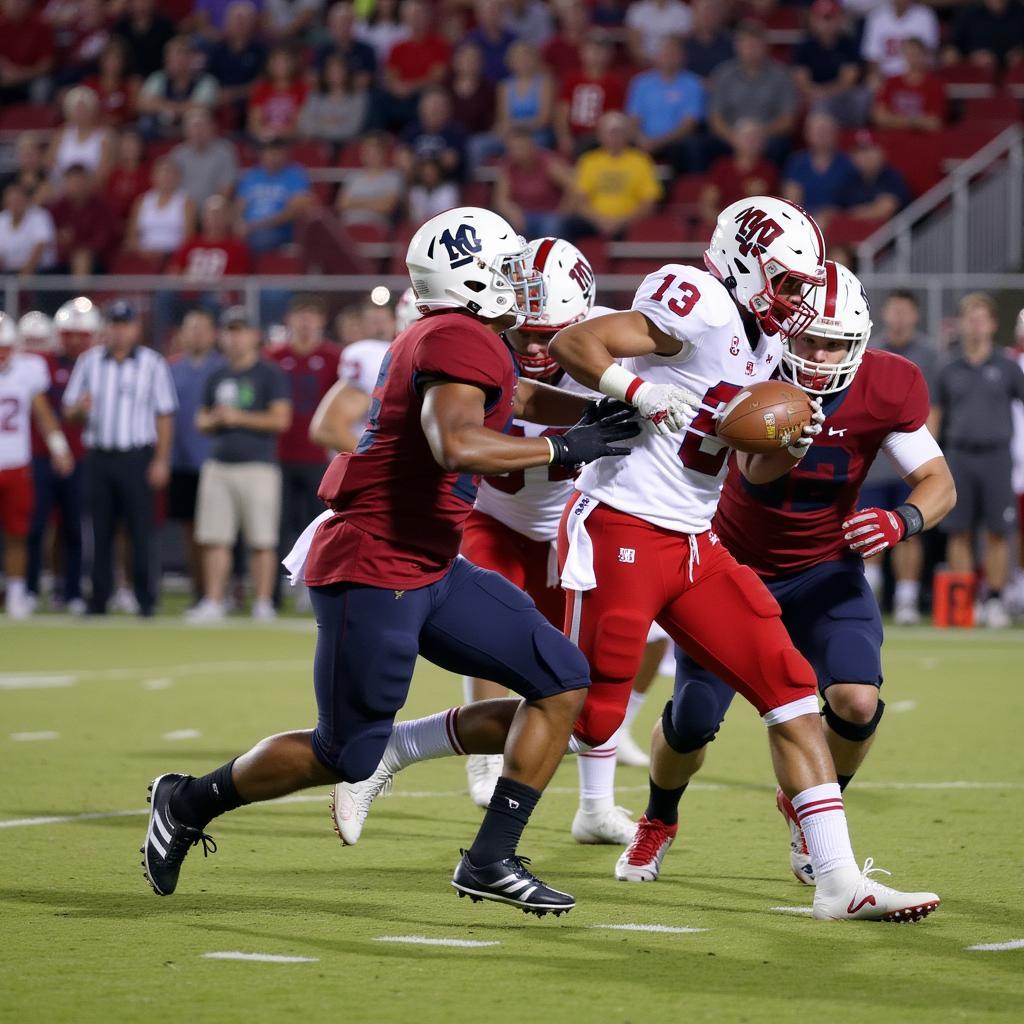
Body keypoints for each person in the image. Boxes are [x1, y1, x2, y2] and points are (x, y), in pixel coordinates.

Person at [339, 198, 944, 924]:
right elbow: (577, 346)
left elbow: (748, 468)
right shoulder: (703, 301)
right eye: (785, 283)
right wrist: (637, 388)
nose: (795, 301)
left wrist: (783, 438)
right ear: (747, 264)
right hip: (623, 526)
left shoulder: (761, 339)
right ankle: (400, 748)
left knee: (788, 686)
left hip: (694, 540)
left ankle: (839, 881)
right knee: (585, 714)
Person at [140, 207, 640, 915]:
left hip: (434, 562)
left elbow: (518, 395)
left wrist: (601, 416)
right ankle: (188, 801)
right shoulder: (457, 337)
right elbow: (457, 443)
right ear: (470, 279)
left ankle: (490, 859)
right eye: (505, 269)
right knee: (343, 753)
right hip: (376, 564)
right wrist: (567, 447)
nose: (518, 281)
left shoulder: (465, 337)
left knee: (562, 681)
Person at [614, 261, 956, 889]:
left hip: (826, 569)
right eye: (808, 339)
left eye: (834, 343)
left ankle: (807, 807)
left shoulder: (890, 382)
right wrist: (781, 438)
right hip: (729, 567)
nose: (819, 355)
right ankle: (659, 820)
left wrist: (901, 520)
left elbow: (939, 483)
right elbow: (745, 469)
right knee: (692, 721)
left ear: (861, 342)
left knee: (856, 701)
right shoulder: (751, 362)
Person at [456, 236, 664, 826]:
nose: (534, 346)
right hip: (493, 514)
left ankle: (594, 806)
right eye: (523, 331)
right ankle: (481, 760)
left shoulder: (615, 352)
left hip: (569, 528)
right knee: (493, 625)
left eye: (550, 334)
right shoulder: (481, 347)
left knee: (580, 665)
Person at [62, 300, 177, 617]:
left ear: (136, 328)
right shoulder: (89, 362)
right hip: (99, 456)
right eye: (114, 323)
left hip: (137, 456)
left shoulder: (152, 363)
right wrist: (79, 410)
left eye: (125, 324)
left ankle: (145, 599)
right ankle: (98, 598)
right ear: (106, 327)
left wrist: (161, 459)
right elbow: (70, 410)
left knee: (141, 531)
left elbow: (164, 414)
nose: (119, 330)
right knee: (99, 530)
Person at [186, 309, 291, 622]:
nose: (234, 338)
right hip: (219, 464)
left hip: (258, 466)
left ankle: (262, 602)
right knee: (215, 538)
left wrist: (237, 417)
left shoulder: (269, 374)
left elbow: (280, 419)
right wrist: (215, 420)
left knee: (262, 540)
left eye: (240, 331)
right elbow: (200, 419)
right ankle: (214, 601)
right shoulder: (217, 374)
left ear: (254, 336)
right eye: (229, 332)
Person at [931, 293, 1024, 628]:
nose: (976, 324)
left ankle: (996, 600)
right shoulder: (948, 366)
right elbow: (935, 415)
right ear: (961, 324)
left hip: (997, 455)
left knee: (998, 532)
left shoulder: (1007, 366)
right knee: (959, 532)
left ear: (993, 325)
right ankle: (964, 600)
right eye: (970, 318)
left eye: (982, 318)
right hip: (958, 455)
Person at [860, 290, 937, 622]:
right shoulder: (869, 349)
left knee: (909, 526)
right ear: (885, 313)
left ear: (916, 315)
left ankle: (906, 596)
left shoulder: (930, 355)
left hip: (911, 455)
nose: (900, 317)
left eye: (906, 310)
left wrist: (925, 453)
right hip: (873, 457)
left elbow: (934, 409)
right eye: (895, 309)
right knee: (865, 525)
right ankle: (867, 591)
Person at [265, 295, 341, 606]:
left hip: (319, 455)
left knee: (319, 523)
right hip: (279, 454)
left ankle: (313, 585)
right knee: (277, 524)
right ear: (289, 320)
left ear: (321, 321)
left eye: (311, 315)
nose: (305, 322)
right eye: (300, 315)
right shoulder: (273, 356)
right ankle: (273, 589)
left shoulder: (334, 357)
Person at [25, 297, 98, 615]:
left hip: (81, 458)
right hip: (41, 457)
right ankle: (27, 588)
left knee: (74, 527)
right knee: (35, 525)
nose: (75, 340)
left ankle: (71, 591)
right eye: (69, 333)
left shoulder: (96, 365)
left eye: (81, 335)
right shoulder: (41, 363)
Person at [0, 313, 73, 619]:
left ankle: (17, 591)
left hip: (16, 464)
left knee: (19, 533)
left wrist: (59, 448)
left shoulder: (28, 370)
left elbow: (43, 414)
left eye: (4, 347)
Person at [309, 287, 418, 455]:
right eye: (372, 320)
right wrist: (380, 464)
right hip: (370, 469)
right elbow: (328, 429)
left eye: (383, 319)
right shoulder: (369, 354)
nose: (378, 326)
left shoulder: (406, 354)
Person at [169, 309, 226, 606]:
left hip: (216, 461)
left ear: (213, 333)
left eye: (203, 329)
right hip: (181, 461)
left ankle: (226, 589)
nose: (197, 335)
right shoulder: (171, 368)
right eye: (191, 329)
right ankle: (199, 589)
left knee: (220, 532)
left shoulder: (223, 368)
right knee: (190, 530)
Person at [708, 21, 797, 166]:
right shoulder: (723, 74)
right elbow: (715, 118)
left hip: (767, 137)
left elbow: (788, 120)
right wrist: (734, 137)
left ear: (765, 47)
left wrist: (757, 136)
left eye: (756, 45)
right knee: (701, 146)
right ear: (737, 46)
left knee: (781, 146)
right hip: (731, 136)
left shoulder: (781, 75)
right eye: (746, 45)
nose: (751, 50)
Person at [565, 111, 662, 241]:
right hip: (594, 222)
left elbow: (649, 202)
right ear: (600, 135)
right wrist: (600, 221)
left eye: (618, 132)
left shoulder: (641, 161)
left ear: (626, 135)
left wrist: (622, 221)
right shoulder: (589, 161)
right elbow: (580, 201)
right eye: (610, 132)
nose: (614, 137)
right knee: (563, 226)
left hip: (629, 223)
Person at [625, 36, 705, 174]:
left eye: (673, 54)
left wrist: (659, 142)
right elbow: (633, 118)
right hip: (642, 139)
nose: (668, 58)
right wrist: (639, 137)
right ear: (656, 56)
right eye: (664, 53)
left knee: (688, 147)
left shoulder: (692, 84)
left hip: (673, 141)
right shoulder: (641, 83)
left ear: (682, 57)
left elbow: (689, 124)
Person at [792, 0, 864, 127]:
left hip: (840, 98)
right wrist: (816, 94)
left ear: (839, 19)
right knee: (811, 104)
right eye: (822, 19)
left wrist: (823, 94)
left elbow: (848, 80)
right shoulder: (805, 46)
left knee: (863, 96)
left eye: (831, 18)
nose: (827, 24)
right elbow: (801, 80)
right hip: (812, 97)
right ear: (813, 20)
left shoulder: (848, 45)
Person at [234, 139, 312, 254]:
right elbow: (239, 205)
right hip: (249, 228)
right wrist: (238, 222)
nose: (273, 158)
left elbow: (295, 210)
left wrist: (256, 225)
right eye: (269, 154)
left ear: (285, 155)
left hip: (278, 229)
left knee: (259, 240)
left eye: (277, 154)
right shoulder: (252, 175)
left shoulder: (295, 174)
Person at [381, 0, 451, 129]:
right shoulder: (397, 47)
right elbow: (390, 77)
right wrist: (398, 87)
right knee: (380, 99)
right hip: (401, 96)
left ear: (427, 18)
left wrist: (410, 87)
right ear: (404, 19)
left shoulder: (439, 44)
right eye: (412, 16)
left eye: (419, 15)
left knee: (430, 100)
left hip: (425, 94)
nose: (416, 20)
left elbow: (437, 77)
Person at [493, 128, 572, 240]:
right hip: (524, 215)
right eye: (513, 149)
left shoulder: (549, 163)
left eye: (521, 148)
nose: (517, 153)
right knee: (504, 224)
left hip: (549, 214)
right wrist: (511, 211)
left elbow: (573, 189)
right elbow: (501, 200)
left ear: (532, 147)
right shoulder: (508, 166)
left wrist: (562, 213)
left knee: (552, 225)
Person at [555, 38, 626, 157]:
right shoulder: (572, 79)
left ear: (608, 55)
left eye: (600, 52)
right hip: (575, 135)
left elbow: (613, 115)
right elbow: (562, 112)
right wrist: (564, 137)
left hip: (599, 137)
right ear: (582, 53)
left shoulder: (614, 83)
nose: (595, 56)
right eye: (591, 51)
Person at [137, 35, 219, 139]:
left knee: (197, 119)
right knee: (145, 124)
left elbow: (203, 107)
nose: (177, 62)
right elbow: (142, 103)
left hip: (191, 129)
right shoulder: (158, 77)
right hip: (160, 127)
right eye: (172, 58)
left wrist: (168, 108)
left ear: (190, 59)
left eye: (181, 57)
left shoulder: (206, 81)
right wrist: (177, 107)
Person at [698, 118, 778, 224]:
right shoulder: (721, 167)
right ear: (735, 139)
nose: (751, 142)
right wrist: (726, 225)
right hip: (723, 229)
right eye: (747, 137)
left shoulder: (769, 169)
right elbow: (707, 206)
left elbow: (771, 210)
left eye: (756, 137)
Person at [206, 0, 267, 130]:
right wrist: (218, 93)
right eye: (236, 20)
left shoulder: (261, 50)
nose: (239, 24)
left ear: (252, 23)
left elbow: (261, 82)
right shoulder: (216, 50)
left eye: (243, 21)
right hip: (219, 99)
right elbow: (208, 78)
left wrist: (234, 94)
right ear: (226, 22)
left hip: (249, 100)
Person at [782, 112, 856, 218]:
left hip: (838, 220)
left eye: (826, 132)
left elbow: (853, 202)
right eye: (817, 132)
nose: (821, 136)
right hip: (804, 219)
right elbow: (792, 201)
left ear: (835, 134)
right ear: (807, 134)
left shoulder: (847, 163)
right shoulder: (797, 162)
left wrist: (832, 214)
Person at [48, 164, 117, 275]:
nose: (77, 186)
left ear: (89, 182)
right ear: (65, 183)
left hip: (96, 260)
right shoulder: (56, 207)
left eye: (80, 181)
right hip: (62, 259)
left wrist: (76, 247)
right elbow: (50, 236)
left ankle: (80, 292)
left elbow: (103, 239)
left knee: (82, 258)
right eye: (73, 182)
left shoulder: (101, 206)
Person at [872, 37, 947, 133]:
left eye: (916, 54)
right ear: (904, 55)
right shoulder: (891, 82)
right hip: (891, 139)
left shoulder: (934, 85)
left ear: (924, 55)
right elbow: (879, 117)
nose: (913, 58)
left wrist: (894, 120)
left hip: (924, 142)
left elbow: (935, 123)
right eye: (909, 53)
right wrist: (915, 121)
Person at [126, 157, 195, 258]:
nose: (166, 177)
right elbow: (132, 236)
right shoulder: (142, 201)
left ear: (178, 177)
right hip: (144, 255)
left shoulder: (186, 202)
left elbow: (189, 237)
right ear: (153, 177)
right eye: (162, 173)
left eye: (170, 174)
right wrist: (143, 251)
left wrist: (168, 254)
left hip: (173, 255)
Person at [170, 109, 239, 209]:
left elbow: (226, 188)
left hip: (213, 212)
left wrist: (211, 210)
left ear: (212, 128)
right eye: (194, 127)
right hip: (185, 211)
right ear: (186, 131)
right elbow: (171, 187)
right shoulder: (178, 154)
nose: (198, 132)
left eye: (202, 126)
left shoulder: (224, 151)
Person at [47, 85, 114, 186]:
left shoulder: (104, 136)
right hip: (61, 186)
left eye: (84, 109)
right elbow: (50, 162)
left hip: (92, 188)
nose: (80, 113)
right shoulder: (62, 133)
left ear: (92, 110)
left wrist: (80, 185)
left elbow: (104, 171)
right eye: (76, 109)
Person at [335, 132, 404, 229]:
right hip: (348, 228)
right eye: (367, 152)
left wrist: (354, 202)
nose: (370, 155)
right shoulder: (353, 177)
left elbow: (387, 206)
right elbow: (341, 203)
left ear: (383, 153)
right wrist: (374, 202)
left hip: (377, 229)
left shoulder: (394, 177)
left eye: (374, 152)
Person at [837, 129, 909, 220]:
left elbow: (885, 210)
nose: (866, 156)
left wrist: (850, 215)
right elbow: (835, 210)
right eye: (859, 152)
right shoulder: (850, 181)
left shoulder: (892, 178)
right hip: (858, 232)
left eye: (870, 149)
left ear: (882, 152)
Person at [299, 53, 368, 147]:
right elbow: (306, 124)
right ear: (325, 73)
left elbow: (353, 128)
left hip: (346, 146)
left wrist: (322, 123)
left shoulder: (358, 97)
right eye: (332, 71)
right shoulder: (315, 96)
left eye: (339, 71)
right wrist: (336, 123)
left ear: (347, 72)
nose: (335, 75)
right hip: (317, 145)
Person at [494, 40, 554, 148]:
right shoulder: (504, 86)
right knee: (478, 145)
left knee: (524, 146)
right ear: (511, 62)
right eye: (518, 59)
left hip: (536, 133)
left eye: (526, 58)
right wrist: (510, 131)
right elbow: (504, 119)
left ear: (534, 60)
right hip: (511, 134)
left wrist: (517, 127)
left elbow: (543, 119)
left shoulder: (544, 83)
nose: (523, 62)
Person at [861, 0, 939, 81]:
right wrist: (878, 79)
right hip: (886, 77)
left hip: (915, 77)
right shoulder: (876, 16)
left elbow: (930, 55)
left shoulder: (925, 15)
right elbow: (872, 57)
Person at [247, 45, 308, 142]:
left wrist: (280, 134)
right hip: (265, 140)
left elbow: (301, 122)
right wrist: (264, 133)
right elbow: (254, 122)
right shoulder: (261, 88)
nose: (280, 66)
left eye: (284, 61)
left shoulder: (302, 88)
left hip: (292, 140)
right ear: (269, 65)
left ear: (292, 64)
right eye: (276, 62)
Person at [0, 0, 55, 104]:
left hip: (31, 78)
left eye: (19, 2)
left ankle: (38, 119)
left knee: (43, 86)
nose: (15, 5)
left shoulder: (42, 26)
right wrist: (6, 69)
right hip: (6, 77)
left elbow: (47, 64)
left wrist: (21, 75)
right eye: (10, 2)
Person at [0, 182, 57, 277]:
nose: (14, 204)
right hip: (8, 272)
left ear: (26, 200)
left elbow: (40, 246)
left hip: (39, 270)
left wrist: (25, 274)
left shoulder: (39, 215)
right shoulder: (2, 219)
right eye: (11, 200)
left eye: (18, 200)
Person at [315, 2, 376, 88]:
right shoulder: (322, 51)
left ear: (353, 24)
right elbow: (315, 79)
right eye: (338, 23)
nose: (343, 27)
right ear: (330, 25)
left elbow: (364, 81)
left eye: (347, 22)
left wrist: (335, 81)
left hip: (357, 97)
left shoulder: (366, 50)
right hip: (328, 98)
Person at [82, 38, 140, 128]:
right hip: (94, 129)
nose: (112, 64)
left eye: (117, 60)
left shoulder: (129, 85)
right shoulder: (90, 83)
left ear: (124, 63)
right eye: (109, 60)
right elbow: (83, 111)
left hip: (121, 131)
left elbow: (132, 114)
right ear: (101, 62)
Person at [949, 0, 1024, 69]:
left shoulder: (1021, 12)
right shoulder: (969, 14)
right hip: (976, 74)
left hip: (1016, 75)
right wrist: (971, 57)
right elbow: (954, 48)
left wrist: (1021, 53)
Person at [111, 0, 174, 80]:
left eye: (145, 1)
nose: (141, 4)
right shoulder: (121, 27)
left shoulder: (164, 26)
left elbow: (169, 55)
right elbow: (116, 55)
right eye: (137, 1)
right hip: (126, 79)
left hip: (159, 78)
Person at [463, 0, 517, 83]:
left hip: (506, 89)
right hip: (480, 89)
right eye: (487, 12)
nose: (492, 16)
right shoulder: (469, 41)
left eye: (496, 11)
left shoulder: (513, 40)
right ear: (478, 15)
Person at [625, 0, 693, 65]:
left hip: (673, 63)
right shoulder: (637, 10)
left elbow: (683, 43)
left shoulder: (682, 11)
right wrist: (647, 61)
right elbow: (634, 44)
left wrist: (667, 61)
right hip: (645, 62)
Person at [684, 0, 733, 80]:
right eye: (704, 13)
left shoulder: (730, 42)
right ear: (695, 15)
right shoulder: (684, 44)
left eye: (712, 13)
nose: (708, 17)